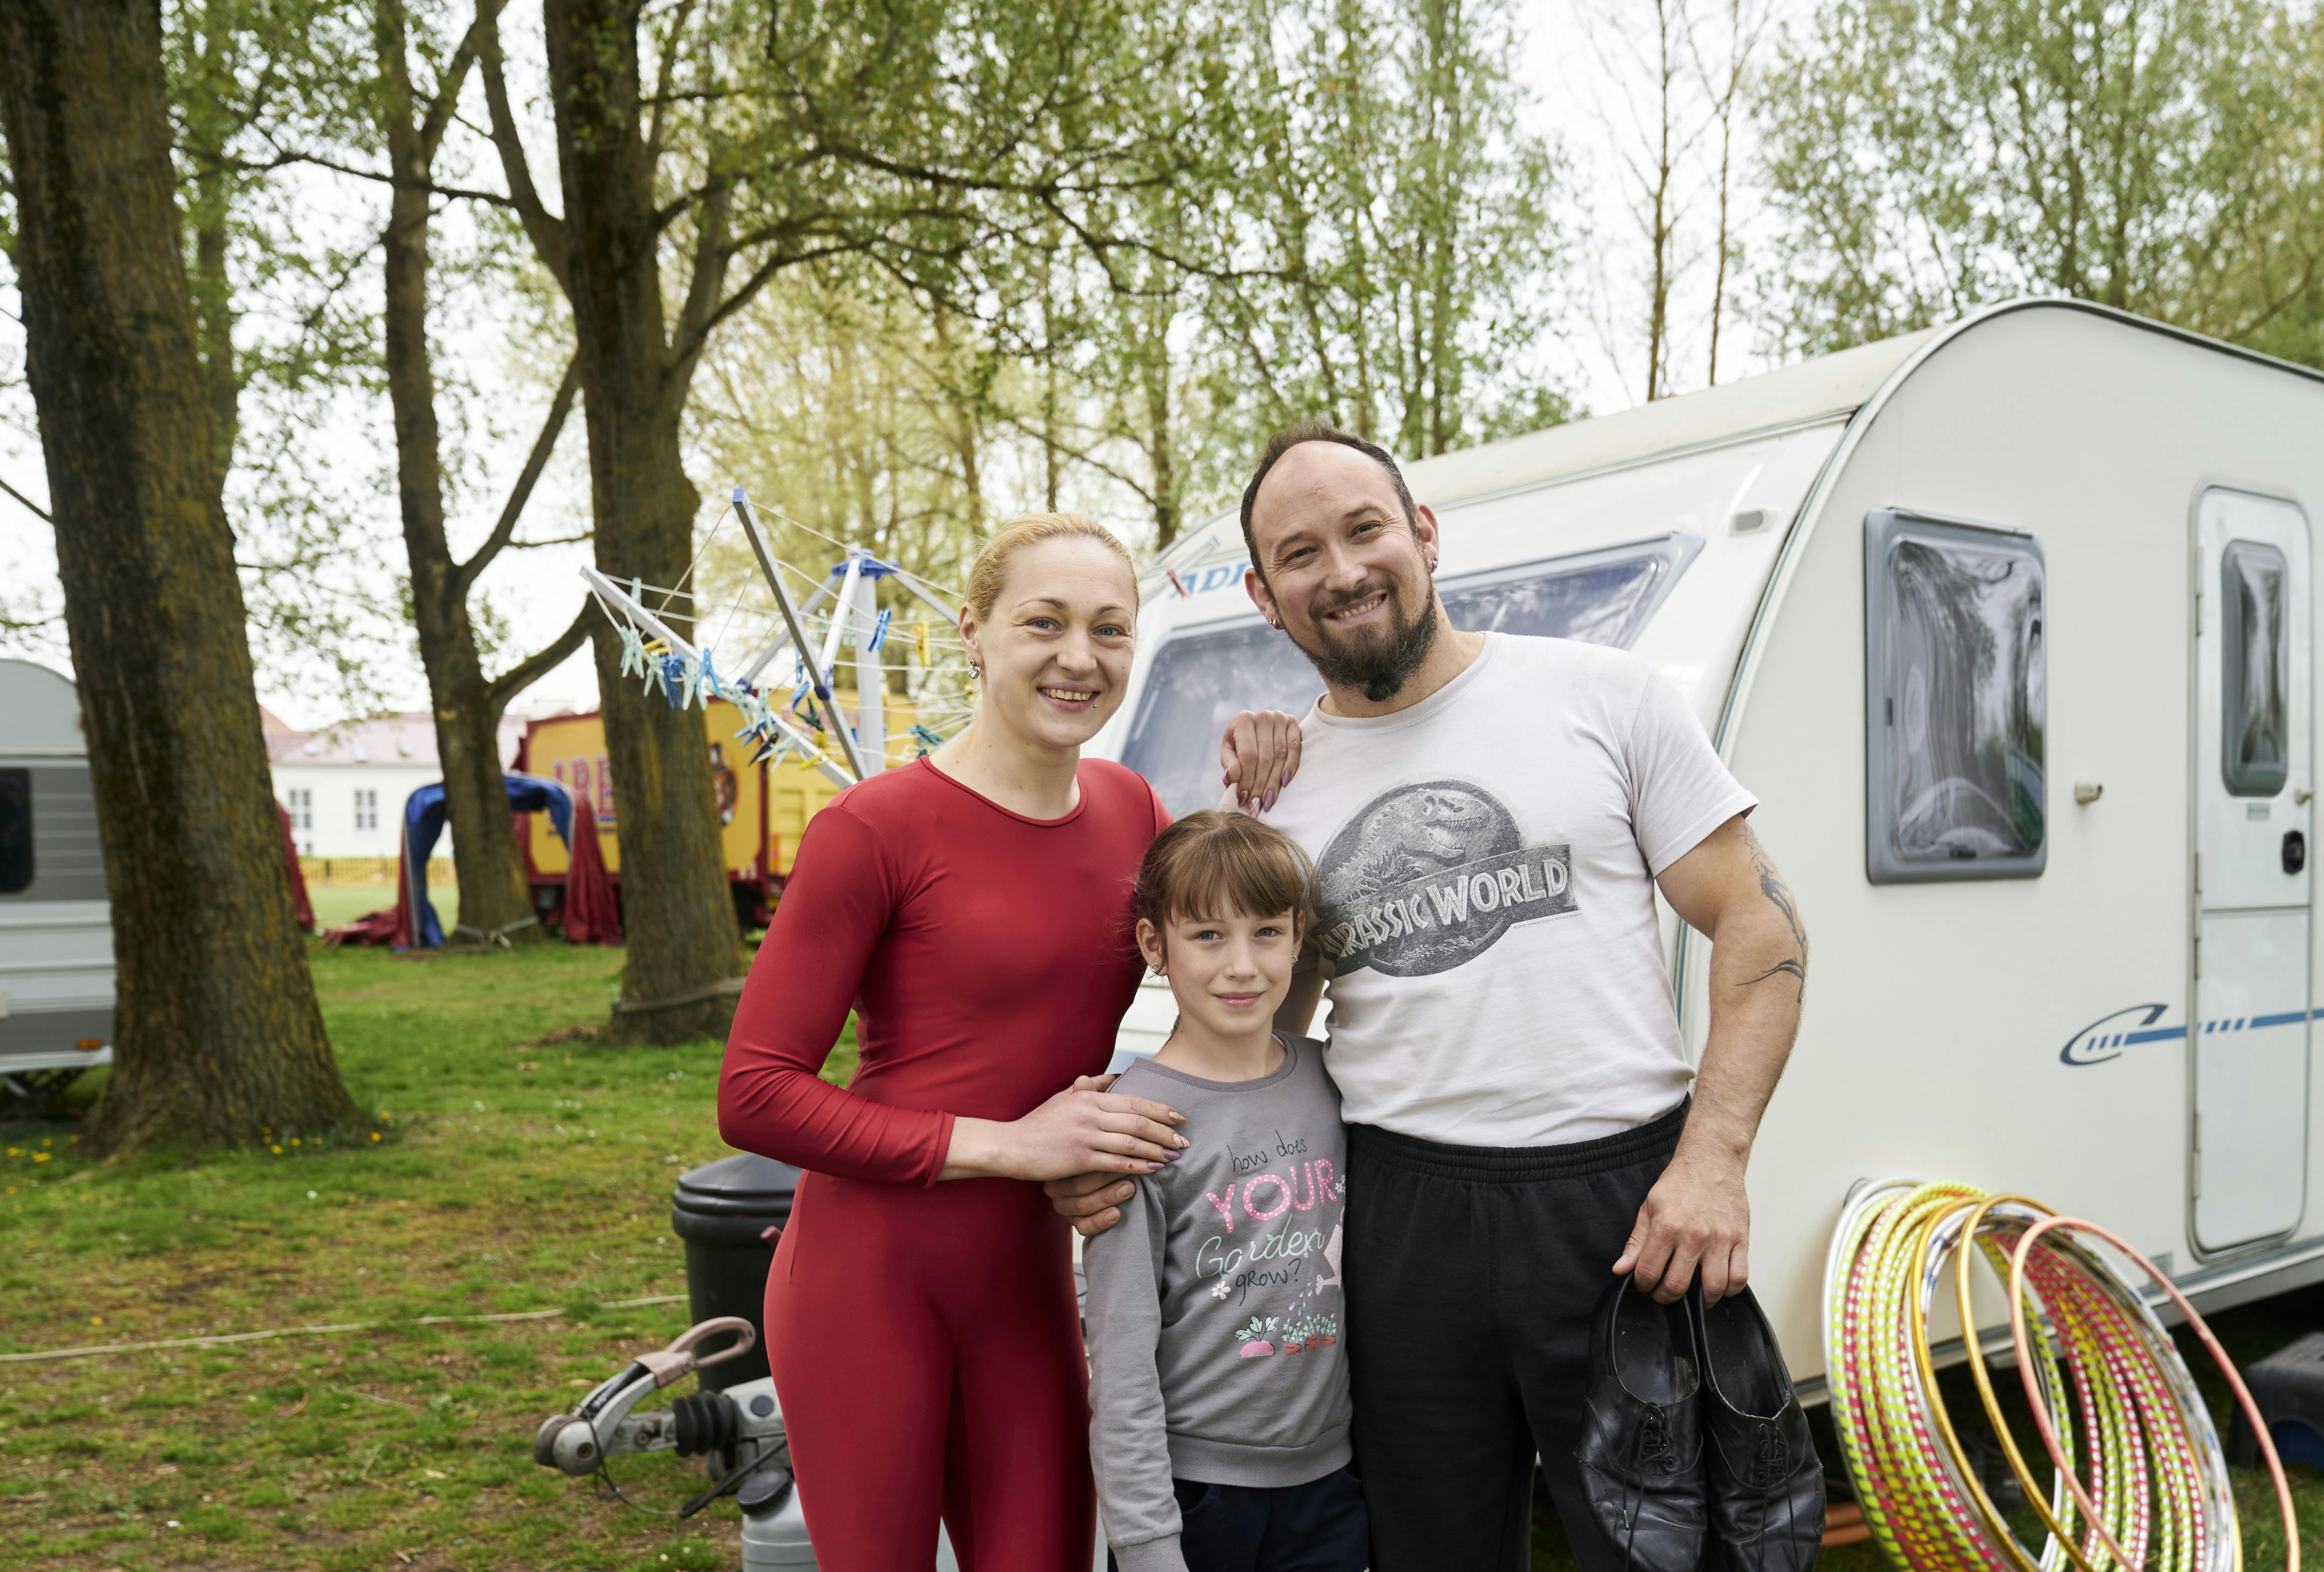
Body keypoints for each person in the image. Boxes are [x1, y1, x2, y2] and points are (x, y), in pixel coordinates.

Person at [1052, 423, 1812, 1572]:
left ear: (1424, 533)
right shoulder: (1283, 792)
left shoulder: (1603, 696)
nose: (1343, 570)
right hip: (1398, 1211)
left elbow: (1761, 925)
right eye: (1301, 553)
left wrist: (1714, 1161)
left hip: (1616, 1200)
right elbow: (1261, 1022)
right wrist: (1130, 1127)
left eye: (1365, 530)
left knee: (1669, 1549)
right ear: (1264, 595)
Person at [718, 513, 1212, 1572]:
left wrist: (1277, 769)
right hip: (868, 1280)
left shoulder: (1136, 810)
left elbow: (1228, 976)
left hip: (1028, 1285)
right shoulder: (875, 825)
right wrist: (1015, 1146)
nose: (1080, 657)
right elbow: (755, 1092)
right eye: (1045, 622)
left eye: (1110, 630)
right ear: (972, 631)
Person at [1085, 811, 1363, 1572]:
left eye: (1267, 932)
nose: (1242, 965)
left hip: (1328, 1484)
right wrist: (1144, 1542)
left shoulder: (1333, 1081)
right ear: (1155, 947)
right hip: (1195, 1495)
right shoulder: (1138, 1122)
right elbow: (1121, 1354)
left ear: (1300, 937)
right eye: (1208, 935)